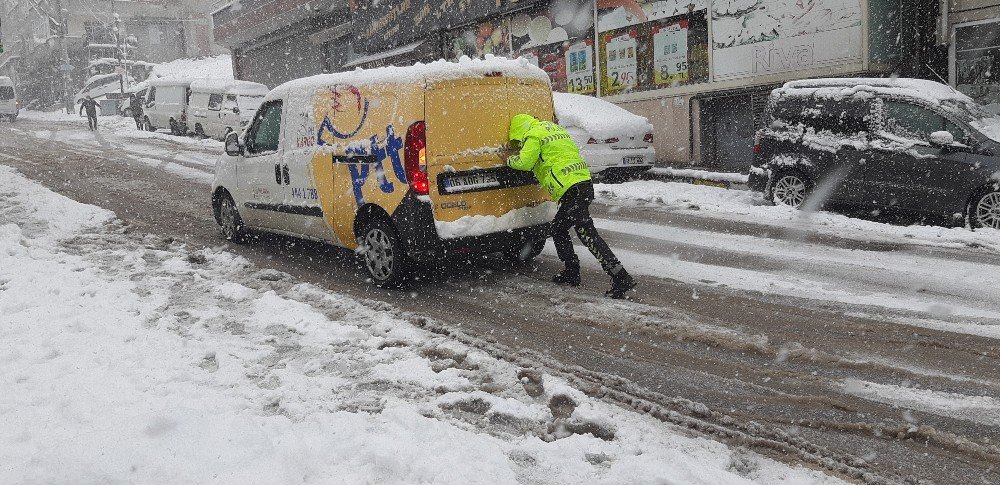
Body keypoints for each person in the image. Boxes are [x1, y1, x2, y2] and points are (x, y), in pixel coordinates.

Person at [506, 113, 637, 299]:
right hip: (583, 183)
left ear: (519, 130)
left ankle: (620, 275)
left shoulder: (533, 135)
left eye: (518, 139)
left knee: (587, 234)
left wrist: (509, 161)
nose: (520, 142)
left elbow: (525, 162)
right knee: (558, 229)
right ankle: (571, 271)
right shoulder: (555, 130)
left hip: (570, 189)